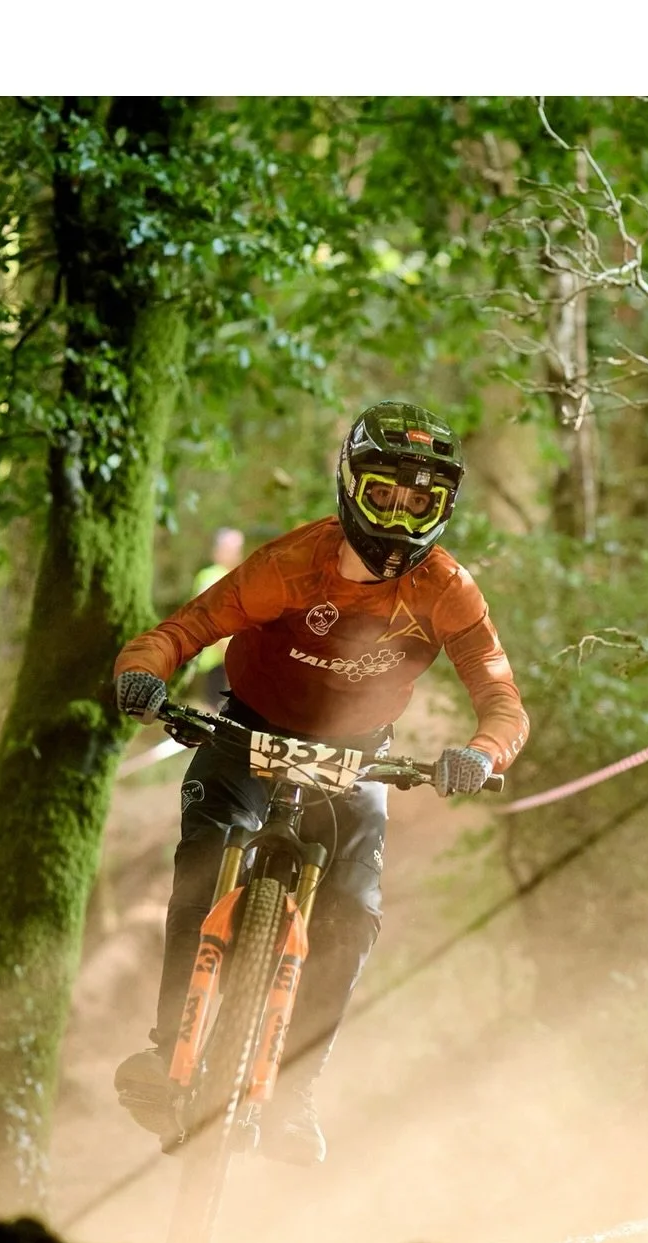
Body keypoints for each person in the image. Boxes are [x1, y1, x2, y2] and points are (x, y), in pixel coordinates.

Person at [112, 400, 529, 1164]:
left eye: (422, 500)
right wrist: (143, 677)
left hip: (359, 756)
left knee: (353, 912)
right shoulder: (289, 566)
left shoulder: (447, 590)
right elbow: (177, 633)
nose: (401, 517)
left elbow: (503, 702)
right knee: (201, 868)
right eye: (384, 494)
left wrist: (482, 753)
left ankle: (295, 1094)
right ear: (350, 486)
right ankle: (170, 1047)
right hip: (245, 733)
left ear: (445, 507)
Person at [189, 527, 246, 707]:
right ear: (219, 550)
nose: (238, 554)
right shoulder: (214, 577)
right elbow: (213, 619)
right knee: (215, 713)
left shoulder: (223, 577)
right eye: (234, 549)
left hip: (218, 660)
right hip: (215, 661)